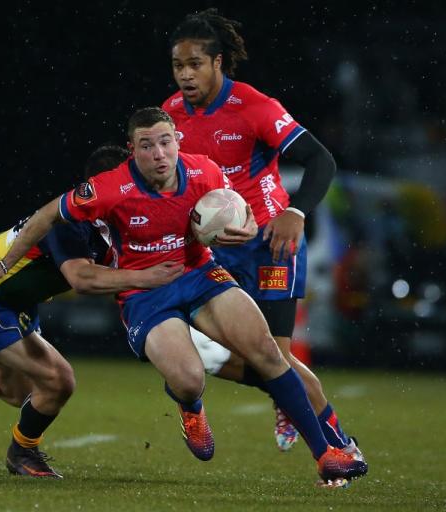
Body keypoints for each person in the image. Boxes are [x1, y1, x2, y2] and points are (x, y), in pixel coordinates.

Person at [0, 107, 367, 486]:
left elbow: (235, 208)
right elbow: (50, 213)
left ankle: (326, 453)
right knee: (190, 380)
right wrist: (4, 262)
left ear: (178, 140)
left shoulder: (204, 170)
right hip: (143, 293)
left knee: (266, 351)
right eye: (146, 145)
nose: (159, 153)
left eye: (165, 142)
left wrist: (241, 225)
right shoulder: (110, 188)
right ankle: (190, 407)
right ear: (131, 150)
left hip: (200, 273)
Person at [0, 145, 184, 479]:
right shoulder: (74, 220)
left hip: (13, 299)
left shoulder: (104, 221)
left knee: (17, 393)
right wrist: (147, 278)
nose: (138, 190)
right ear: (106, 183)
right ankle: (22, 453)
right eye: (131, 181)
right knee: (57, 381)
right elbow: (82, 280)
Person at [162, 8, 361, 458]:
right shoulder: (171, 117)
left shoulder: (254, 106)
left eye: (195, 64)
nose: (186, 75)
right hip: (216, 254)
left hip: (273, 246)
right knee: (184, 353)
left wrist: (296, 211)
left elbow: (320, 160)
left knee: (277, 359)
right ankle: (273, 398)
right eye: (178, 65)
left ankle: (341, 446)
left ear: (217, 63)